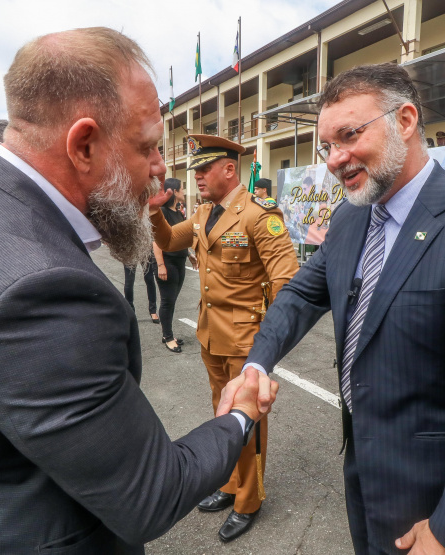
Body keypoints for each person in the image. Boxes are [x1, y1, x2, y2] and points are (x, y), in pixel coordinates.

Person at [0, 27, 277, 554]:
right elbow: (151, 496)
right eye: (148, 147)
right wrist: (241, 414)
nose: (163, 170)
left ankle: (244, 496)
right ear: (84, 144)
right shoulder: (41, 291)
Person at [228, 62, 445, 555]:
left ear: (404, 121)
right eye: (327, 146)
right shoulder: (350, 218)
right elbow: (299, 294)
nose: (336, 159)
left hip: (435, 501)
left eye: (349, 135)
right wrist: (257, 363)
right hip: (363, 470)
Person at [148, 133, 299, 542]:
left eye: (203, 169)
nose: (196, 176)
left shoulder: (259, 213)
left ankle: (248, 500)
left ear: (229, 169)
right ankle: (231, 484)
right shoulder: (203, 214)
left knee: (246, 422)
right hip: (212, 336)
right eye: (195, 170)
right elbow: (167, 241)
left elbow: (287, 281)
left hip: (248, 340)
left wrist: (269, 347)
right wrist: (155, 213)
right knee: (222, 416)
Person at [154, 178, 190, 353]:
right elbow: (156, 240)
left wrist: (190, 254)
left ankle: (167, 334)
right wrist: (160, 264)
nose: (184, 192)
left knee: (172, 301)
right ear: (174, 192)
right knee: (167, 302)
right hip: (167, 263)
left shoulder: (178, 212)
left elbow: (180, 237)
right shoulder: (161, 212)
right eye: (182, 189)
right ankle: (168, 337)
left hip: (179, 261)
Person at [123, 251, 159, 322]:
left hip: (145, 247)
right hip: (129, 248)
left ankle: (153, 310)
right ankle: (130, 311)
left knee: (149, 279)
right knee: (129, 281)